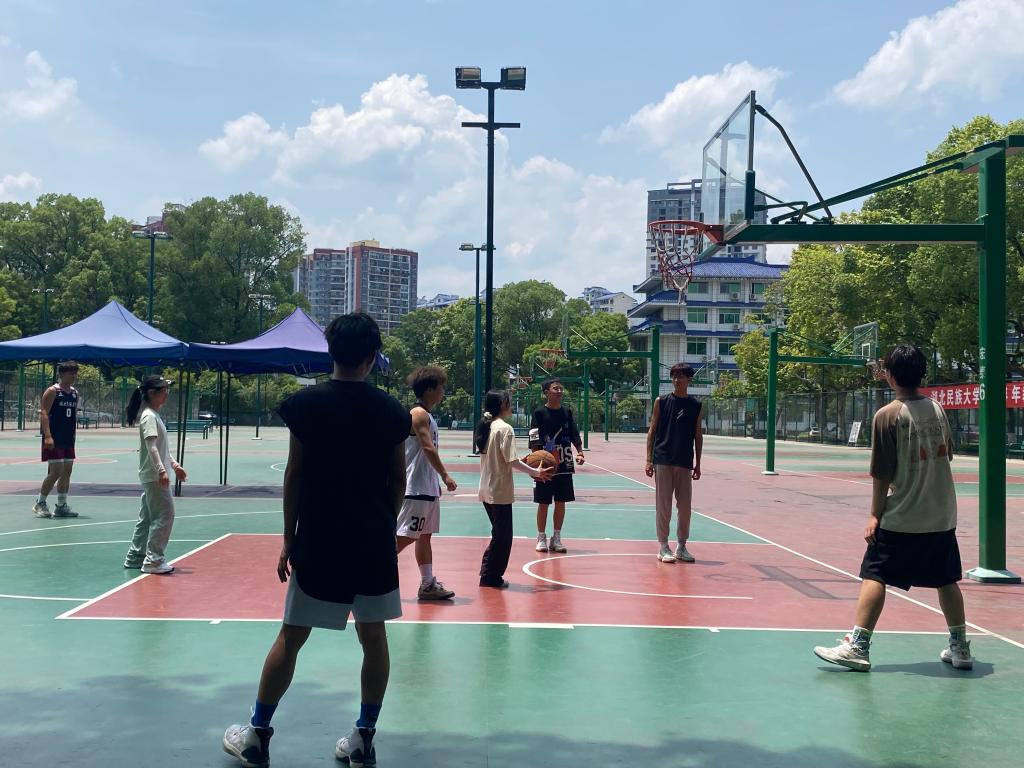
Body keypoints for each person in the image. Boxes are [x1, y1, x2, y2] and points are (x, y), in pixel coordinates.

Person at [223, 312, 410, 768]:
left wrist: (289, 539)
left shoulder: (305, 406)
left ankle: (257, 735)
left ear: (330, 351)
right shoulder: (392, 412)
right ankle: (364, 738)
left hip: (320, 539)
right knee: (374, 637)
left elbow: (295, 474)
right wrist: (383, 528)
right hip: (372, 542)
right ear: (372, 356)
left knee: (292, 636)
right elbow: (397, 479)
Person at [814, 345, 972, 672]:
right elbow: (947, 454)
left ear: (890, 375)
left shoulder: (887, 415)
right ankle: (960, 648)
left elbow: (881, 473)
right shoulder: (938, 409)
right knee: (946, 579)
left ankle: (858, 646)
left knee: (875, 573)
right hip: (941, 514)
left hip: (903, 515)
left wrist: (875, 514)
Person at [476, 390, 554, 588]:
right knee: (503, 537)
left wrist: (527, 464)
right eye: (509, 401)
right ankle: (490, 576)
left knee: (498, 534)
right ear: (503, 404)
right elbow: (511, 461)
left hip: (486, 488)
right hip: (499, 490)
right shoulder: (505, 429)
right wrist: (535, 472)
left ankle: (487, 573)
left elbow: (505, 459)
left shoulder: (487, 426)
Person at [396, 365, 458, 600]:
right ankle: (367, 572)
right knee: (406, 536)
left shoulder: (428, 415)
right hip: (416, 487)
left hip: (426, 486)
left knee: (425, 535)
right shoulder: (418, 414)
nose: (443, 392)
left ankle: (427, 583)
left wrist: (435, 480)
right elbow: (427, 447)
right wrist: (445, 475)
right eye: (441, 387)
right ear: (430, 389)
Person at [123, 375, 186, 574]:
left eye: (167, 390)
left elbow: (160, 448)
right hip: (154, 475)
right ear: (151, 393)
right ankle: (153, 560)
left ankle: (136, 556)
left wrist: (174, 465)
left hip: (152, 474)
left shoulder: (153, 415)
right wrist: (161, 470)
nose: (166, 394)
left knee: (147, 517)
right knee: (165, 514)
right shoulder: (149, 416)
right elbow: (151, 447)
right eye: (163, 390)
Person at [645, 364, 702, 563]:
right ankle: (663, 546)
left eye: (681, 376)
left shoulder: (696, 405)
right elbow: (652, 431)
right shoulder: (661, 402)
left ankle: (681, 546)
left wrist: (698, 463)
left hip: (685, 461)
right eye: (674, 376)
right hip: (663, 459)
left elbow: (698, 435)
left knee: (685, 507)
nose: (677, 380)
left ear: (689, 380)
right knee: (664, 506)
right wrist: (648, 460)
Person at [529, 378, 584, 553]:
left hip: (564, 461)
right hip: (545, 463)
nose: (559, 391)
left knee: (561, 501)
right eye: (555, 388)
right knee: (543, 501)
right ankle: (541, 537)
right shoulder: (539, 413)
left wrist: (580, 451)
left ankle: (556, 537)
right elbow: (534, 437)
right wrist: (536, 460)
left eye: (561, 388)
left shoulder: (567, 412)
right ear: (546, 392)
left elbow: (574, 433)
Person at [33, 361, 81, 518]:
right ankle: (40, 503)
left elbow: (72, 415)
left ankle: (61, 506)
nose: (74, 375)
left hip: (68, 437)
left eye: (75, 372)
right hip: (54, 437)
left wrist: (73, 435)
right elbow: (44, 414)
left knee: (67, 470)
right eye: (71, 372)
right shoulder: (52, 391)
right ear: (61, 374)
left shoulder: (74, 393)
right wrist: (47, 436)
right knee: (56, 471)